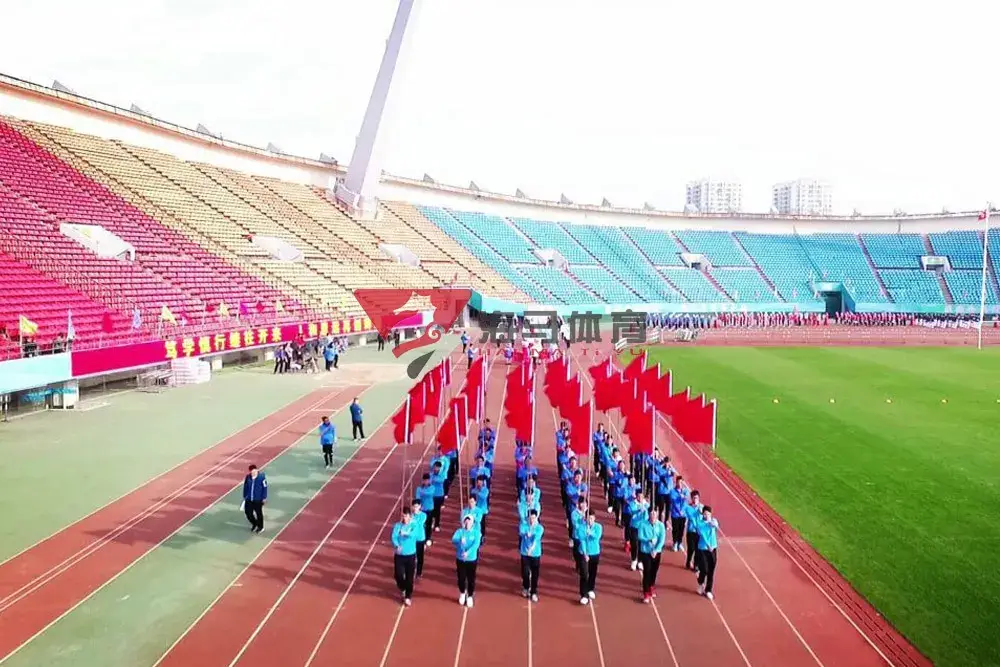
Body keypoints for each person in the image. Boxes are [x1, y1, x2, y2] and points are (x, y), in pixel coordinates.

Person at [452, 514, 481, 608]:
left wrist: (467, 553)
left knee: (471, 579)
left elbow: (476, 545)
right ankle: (462, 593)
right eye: (466, 521)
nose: (468, 523)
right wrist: (460, 541)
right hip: (460, 559)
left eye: (469, 522)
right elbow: (453, 540)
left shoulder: (476, 533)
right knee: (461, 578)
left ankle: (470, 596)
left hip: (471, 559)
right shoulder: (460, 532)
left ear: (472, 523)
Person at [391, 506, 418, 606]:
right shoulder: (397, 526)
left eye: (406, 516)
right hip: (399, 555)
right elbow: (393, 537)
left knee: (409, 577)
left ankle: (408, 596)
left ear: (410, 516)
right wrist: (397, 545)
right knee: (398, 575)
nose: (404, 518)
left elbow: (414, 534)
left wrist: (405, 533)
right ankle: (403, 588)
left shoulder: (414, 525)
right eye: (403, 516)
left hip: (410, 555)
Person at [638, 509, 666, 603]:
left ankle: (651, 586)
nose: (653, 515)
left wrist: (656, 550)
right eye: (652, 513)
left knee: (654, 571)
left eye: (655, 513)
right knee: (647, 571)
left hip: (656, 552)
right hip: (646, 552)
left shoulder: (661, 525)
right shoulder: (643, 524)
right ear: (649, 514)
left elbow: (662, 539)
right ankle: (646, 593)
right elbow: (640, 536)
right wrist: (649, 540)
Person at [577, 511, 603, 605]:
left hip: (595, 552)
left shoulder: (598, 527)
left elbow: (597, 537)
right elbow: (582, 541)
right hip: (584, 553)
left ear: (594, 518)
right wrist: (585, 554)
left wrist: (590, 533)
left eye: (591, 518)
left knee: (593, 573)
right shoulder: (581, 527)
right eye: (588, 518)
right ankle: (584, 595)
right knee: (584, 574)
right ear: (585, 519)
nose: (590, 520)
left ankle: (590, 588)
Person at [518, 509, 544, 602]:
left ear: (536, 518)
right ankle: (526, 587)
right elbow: (521, 532)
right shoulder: (523, 525)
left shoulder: (540, 528)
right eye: (530, 518)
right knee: (525, 572)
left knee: (535, 573)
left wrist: (531, 549)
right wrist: (526, 533)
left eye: (533, 518)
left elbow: (536, 539)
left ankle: (534, 592)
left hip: (535, 553)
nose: (532, 520)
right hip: (525, 553)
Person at [695, 506, 720, 599]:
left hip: (713, 548)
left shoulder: (713, 521)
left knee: (711, 570)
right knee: (704, 569)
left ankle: (708, 590)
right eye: (705, 514)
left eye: (708, 514)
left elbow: (716, 526)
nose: (707, 516)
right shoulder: (700, 523)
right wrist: (708, 545)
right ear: (703, 514)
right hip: (703, 549)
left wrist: (712, 523)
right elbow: (703, 535)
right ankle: (700, 582)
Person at [242, 464, 268, 534]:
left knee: (259, 513)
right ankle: (255, 523)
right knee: (248, 513)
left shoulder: (261, 477)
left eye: (254, 471)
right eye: (251, 471)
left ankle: (261, 527)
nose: (253, 473)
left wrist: (264, 497)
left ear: (256, 470)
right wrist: (245, 495)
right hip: (249, 499)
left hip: (258, 499)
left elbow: (265, 487)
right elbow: (245, 486)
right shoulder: (248, 477)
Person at [683, 490, 704, 571]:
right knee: (691, 548)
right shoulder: (688, 508)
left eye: (697, 498)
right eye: (694, 498)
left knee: (698, 549)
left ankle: (696, 565)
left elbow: (705, 517)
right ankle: (688, 560)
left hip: (699, 532)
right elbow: (689, 517)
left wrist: (702, 513)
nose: (695, 500)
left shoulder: (701, 507)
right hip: (691, 531)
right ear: (691, 498)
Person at [669, 476, 691, 551]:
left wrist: (684, 497)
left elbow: (686, 500)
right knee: (675, 529)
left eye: (681, 482)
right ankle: (675, 542)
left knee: (681, 529)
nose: (680, 484)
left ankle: (680, 542)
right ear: (676, 482)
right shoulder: (672, 491)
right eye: (678, 482)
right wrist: (679, 511)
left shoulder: (685, 491)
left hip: (683, 514)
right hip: (675, 514)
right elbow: (674, 502)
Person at [415, 474, 436, 545]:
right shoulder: (419, 488)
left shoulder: (432, 487)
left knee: (429, 525)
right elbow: (417, 497)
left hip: (430, 509)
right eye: (425, 480)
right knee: (422, 525)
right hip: (422, 509)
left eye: (427, 480)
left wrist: (422, 492)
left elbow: (430, 493)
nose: (426, 482)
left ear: (429, 480)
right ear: (423, 481)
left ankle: (428, 538)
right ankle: (422, 538)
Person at [411, 500, 428, 578]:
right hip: (412, 539)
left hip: (420, 538)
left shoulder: (423, 515)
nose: (415, 508)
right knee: (412, 555)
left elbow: (419, 523)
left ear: (420, 507)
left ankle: (419, 572)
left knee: (420, 556)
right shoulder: (411, 516)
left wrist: (412, 520)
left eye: (417, 506)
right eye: (414, 506)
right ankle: (411, 570)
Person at [429, 461, 447, 531]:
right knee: (431, 510)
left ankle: (437, 525)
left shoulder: (442, 474)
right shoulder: (431, 474)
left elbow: (440, 480)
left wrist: (432, 479)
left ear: (439, 468)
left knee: (437, 510)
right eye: (435, 467)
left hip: (439, 495)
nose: (435, 469)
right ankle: (431, 522)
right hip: (432, 495)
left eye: (437, 467)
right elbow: (429, 482)